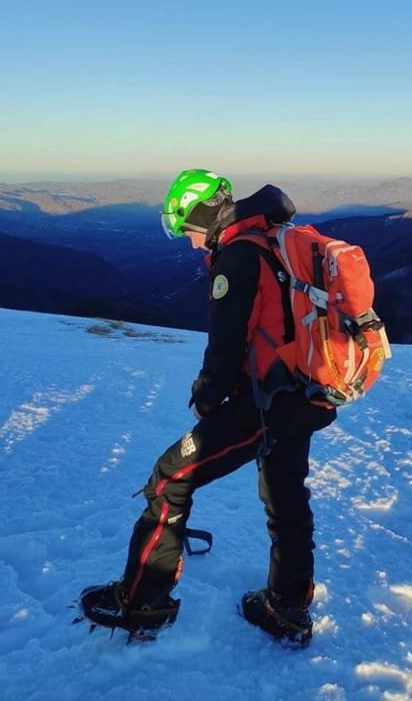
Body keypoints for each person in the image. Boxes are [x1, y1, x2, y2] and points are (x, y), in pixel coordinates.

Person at [79, 169, 336, 645]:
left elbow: (224, 348)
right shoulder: (272, 237)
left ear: (203, 214)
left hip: (263, 402)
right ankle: (288, 607)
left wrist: (205, 399)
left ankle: (142, 603)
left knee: (169, 479)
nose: (193, 243)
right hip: (303, 394)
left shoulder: (238, 256)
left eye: (190, 230)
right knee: (286, 500)